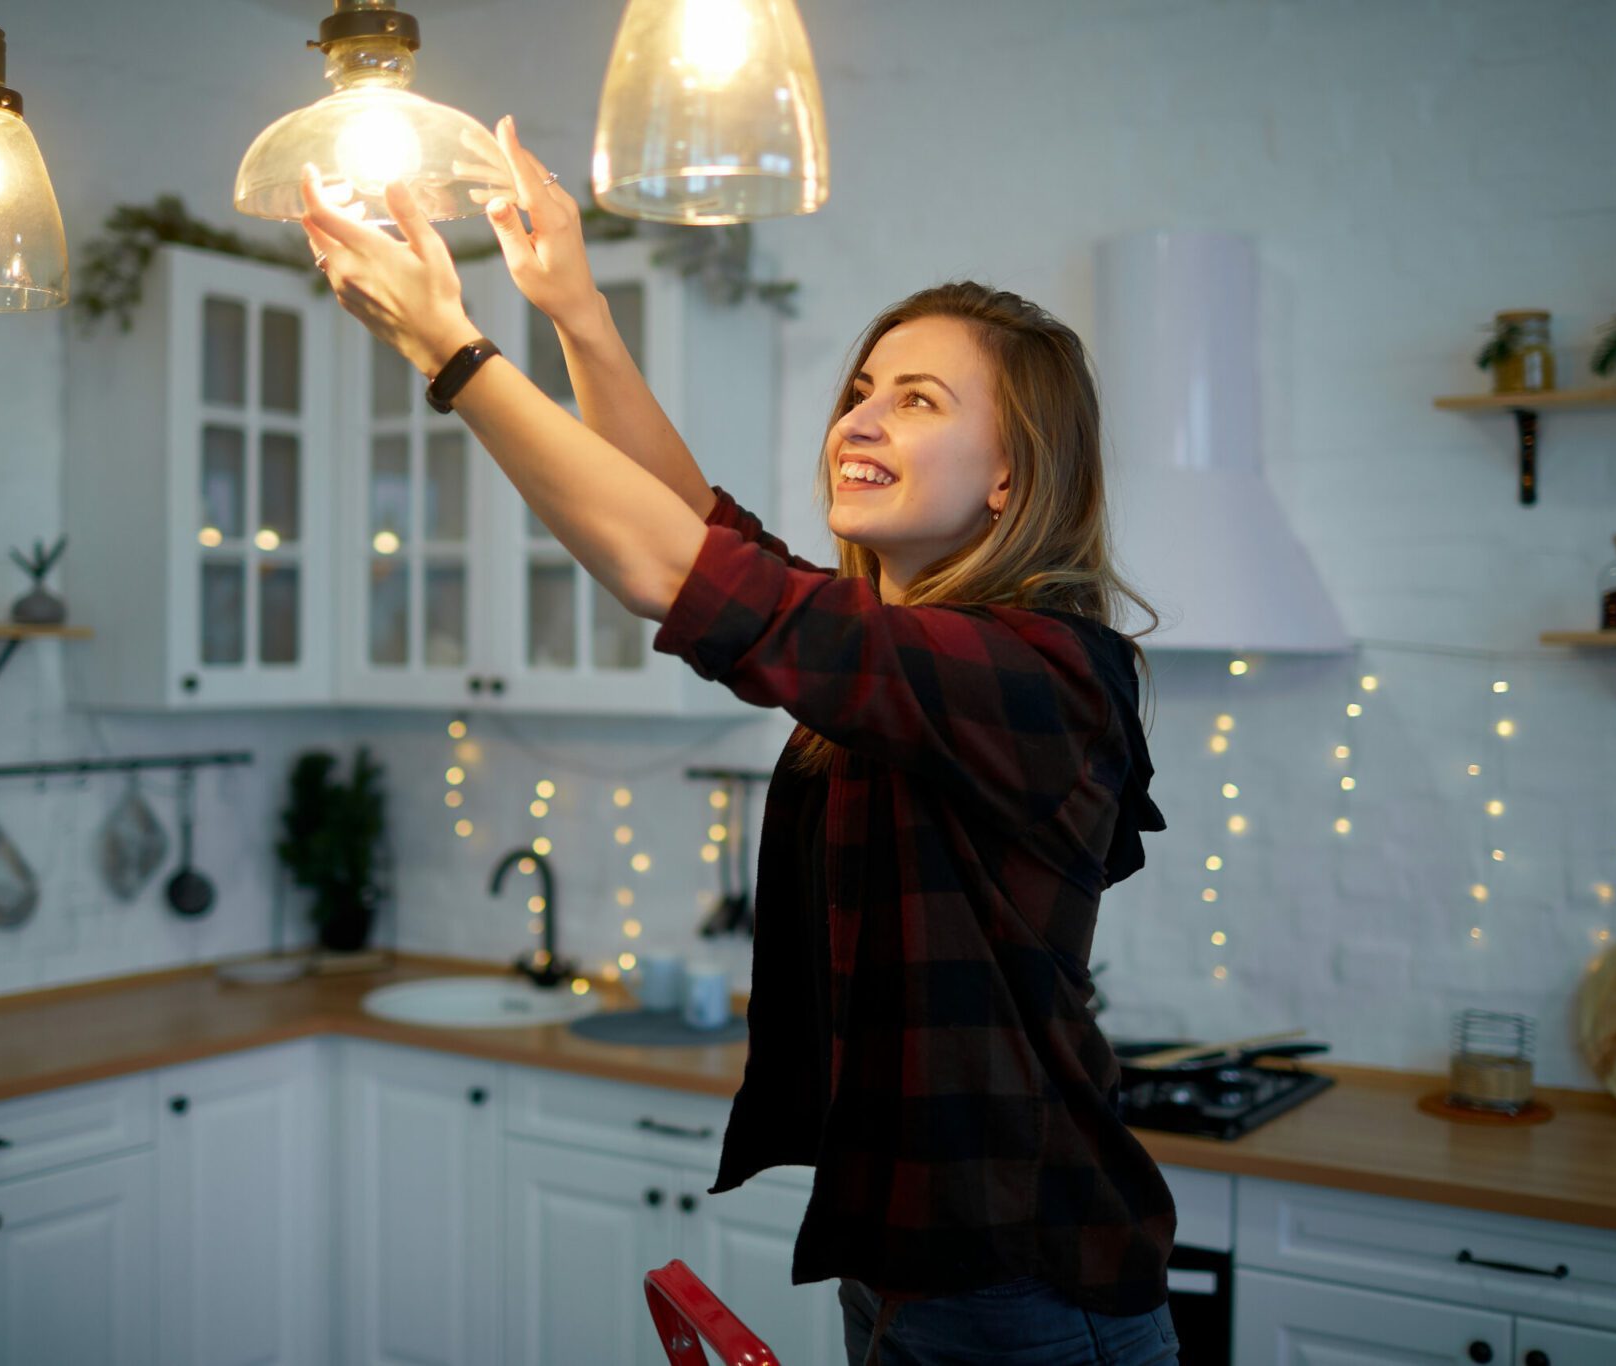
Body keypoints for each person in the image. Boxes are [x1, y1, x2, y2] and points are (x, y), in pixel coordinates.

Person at [300, 115, 1180, 1366]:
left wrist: (452, 350)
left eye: (916, 400)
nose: (858, 420)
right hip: (912, 1274)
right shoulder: (899, 655)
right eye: (858, 392)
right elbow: (700, 531)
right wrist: (576, 312)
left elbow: (676, 570)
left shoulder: (1041, 672)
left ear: (1009, 477)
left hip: (1028, 1286)